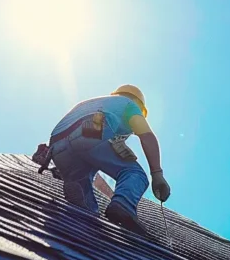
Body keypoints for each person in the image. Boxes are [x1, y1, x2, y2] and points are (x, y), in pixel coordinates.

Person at [34, 84, 171, 235]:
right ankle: (124, 205)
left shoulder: (93, 102)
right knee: (135, 174)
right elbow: (147, 136)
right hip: (92, 127)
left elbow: (92, 157)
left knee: (87, 201)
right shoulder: (130, 105)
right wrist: (157, 174)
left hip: (57, 146)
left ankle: (80, 190)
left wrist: (112, 195)